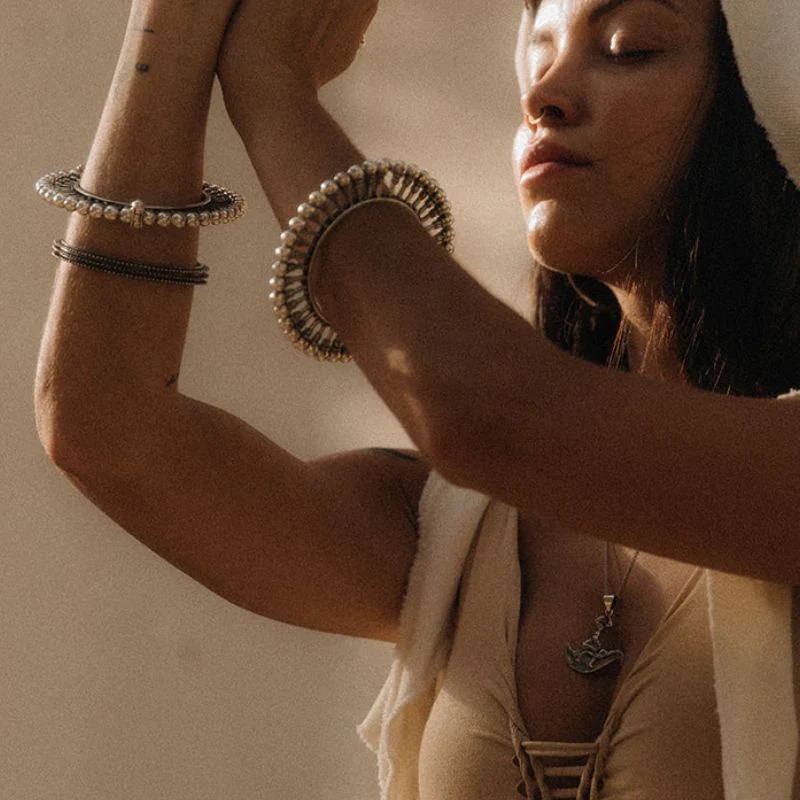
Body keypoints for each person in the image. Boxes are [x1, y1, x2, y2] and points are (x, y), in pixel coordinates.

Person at [34, 0, 800, 797]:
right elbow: (108, 430)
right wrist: (172, 26)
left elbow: (483, 418)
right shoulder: (458, 532)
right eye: (538, 50)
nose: (544, 94)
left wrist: (273, 88)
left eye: (627, 48)